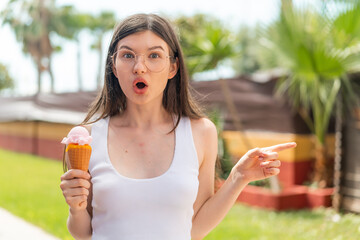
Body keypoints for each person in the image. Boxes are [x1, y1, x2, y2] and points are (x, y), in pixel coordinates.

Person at [59, 13, 296, 240]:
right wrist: (76, 209)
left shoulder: (201, 132)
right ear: (113, 65)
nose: (139, 67)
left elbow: (194, 230)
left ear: (173, 67)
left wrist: (238, 177)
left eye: (154, 55)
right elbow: (83, 233)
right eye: (128, 55)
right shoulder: (88, 137)